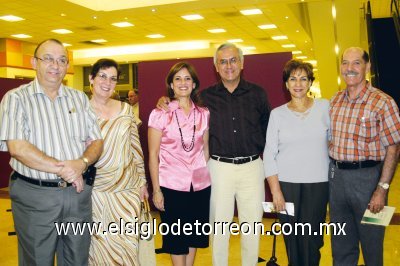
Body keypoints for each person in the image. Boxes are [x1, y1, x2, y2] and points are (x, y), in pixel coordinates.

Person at [157, 43, 270, 265]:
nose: (228, 66)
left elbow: (268, 130)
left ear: (242, 63)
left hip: (252, 167)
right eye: (223, 61)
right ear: (215, 66)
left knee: (252, 226)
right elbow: (180, 103)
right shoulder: (204, 98)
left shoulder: (258, 94)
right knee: (219, 227)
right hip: (219, 168)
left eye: (233, 60)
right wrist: (164, 101)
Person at [0, 38, 103, 265]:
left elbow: (96, 141)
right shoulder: (16, 99)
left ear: (67, 66)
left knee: (77, 259)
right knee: (38, 260)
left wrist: (82, 163)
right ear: (33, 62)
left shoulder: (79, 98)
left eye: (62, 60)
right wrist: (68, 169)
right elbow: (18, 148)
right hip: (35, 195)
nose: (55, 66)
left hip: (77, 196)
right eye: (48, 59)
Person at [329, 47, 400, 266]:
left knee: (372, 246)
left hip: (369, 180)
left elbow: (394, 147)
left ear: (367, 67)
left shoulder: (383, 102)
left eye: (356, 63)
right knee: (340, 245)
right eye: (345, 63)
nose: (349, 68)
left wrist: (382, 189)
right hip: (337, 180)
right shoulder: (334, 101)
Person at [263, 59, 329, 266]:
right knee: (292, 239)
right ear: (286, 83)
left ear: (310, 82)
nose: (298, 83)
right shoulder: (277, 114)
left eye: (303, 78)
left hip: (318, 185)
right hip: (287, 186)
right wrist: (276, 192)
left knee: (311, 240)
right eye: (293, 79)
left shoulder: (325, 107)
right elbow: (269, 154)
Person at [148, 62, 211, 266]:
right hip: (171, 185)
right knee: (176, 238)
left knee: (194, 235)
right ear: (171, 84)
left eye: (187, 78)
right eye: (178, 79)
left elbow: (206, 150)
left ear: (194, 84)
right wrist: (156, 190)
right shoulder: (160, 113)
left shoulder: (204, 114)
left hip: (200, 186)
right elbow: (153, 154)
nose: (183, 83)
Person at [87, 58, 149, 265]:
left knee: (128, 246)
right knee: (100, 246)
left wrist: (142, 182)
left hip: (127, 191)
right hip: (97, 192)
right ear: (91, 79)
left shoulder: (125, 109)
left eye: (113, 78)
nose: (107, 82)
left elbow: (135, 147)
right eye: (102, 76)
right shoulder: (80, 112)